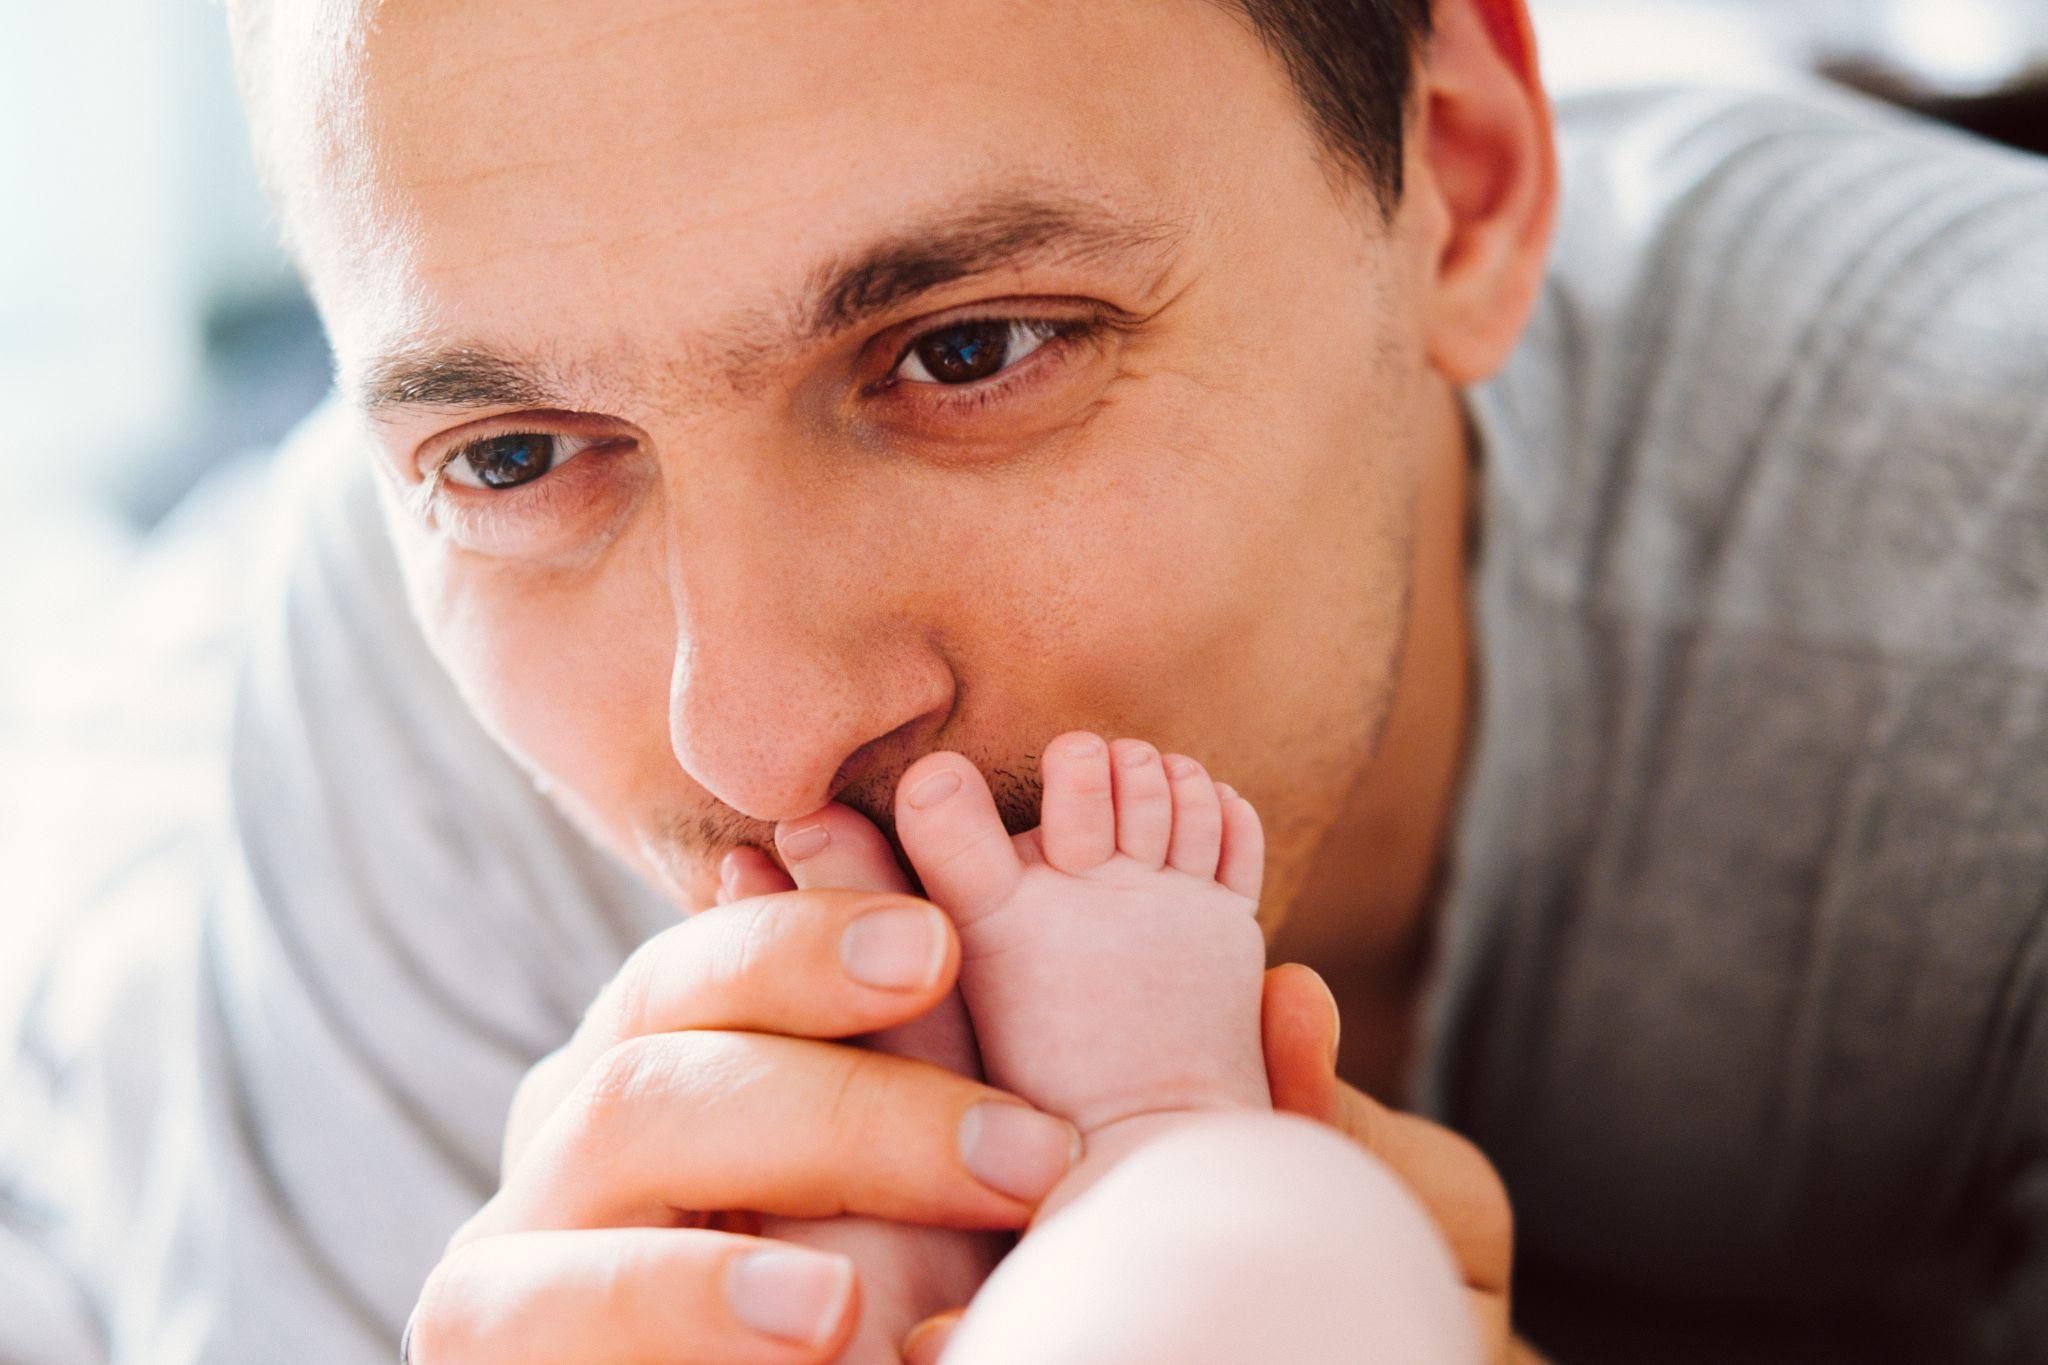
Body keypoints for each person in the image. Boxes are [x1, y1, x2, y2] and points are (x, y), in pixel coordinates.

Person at [5, 0, 2047, 1359]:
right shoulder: (392, 669)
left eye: (970, 349)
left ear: (1463, 177)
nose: (757, 733)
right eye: (515, 450)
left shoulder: (1985, 620)